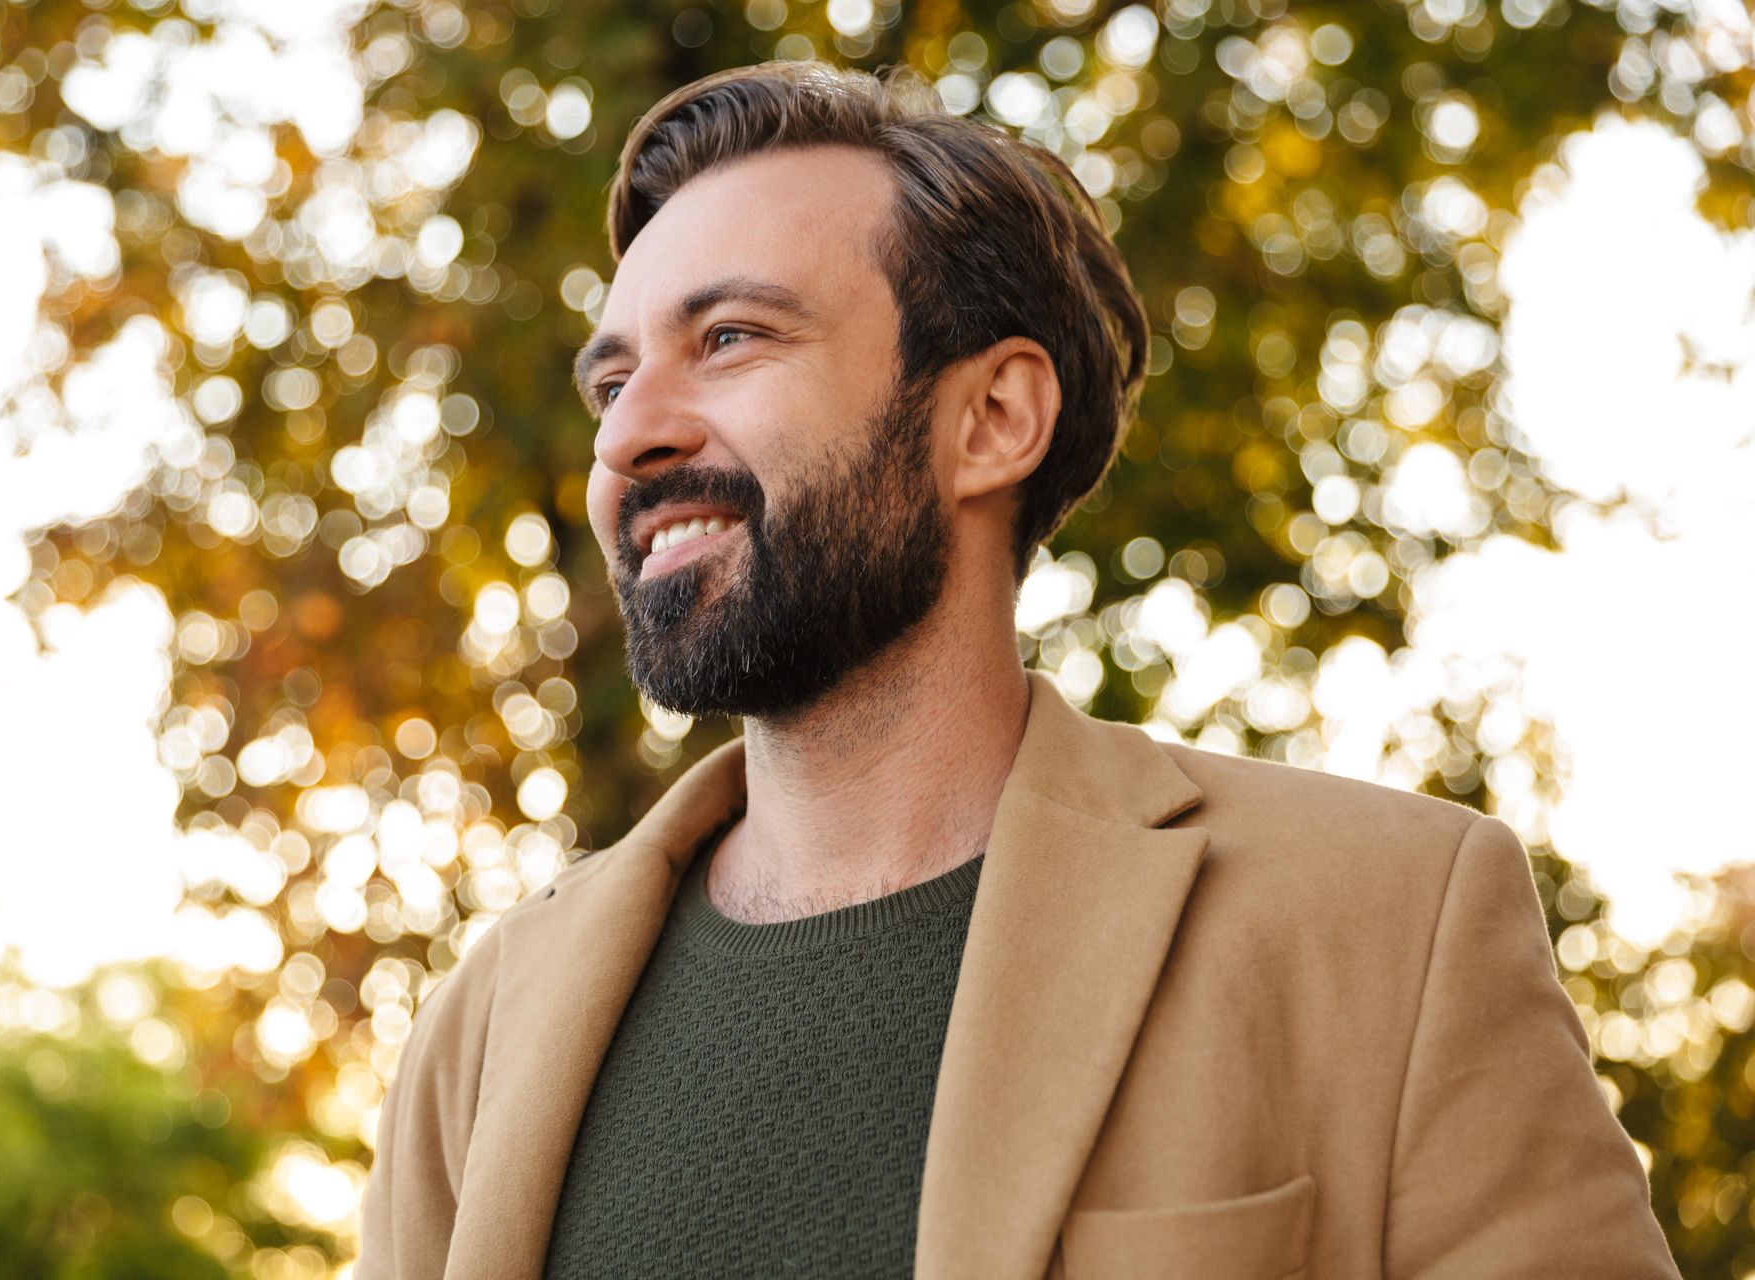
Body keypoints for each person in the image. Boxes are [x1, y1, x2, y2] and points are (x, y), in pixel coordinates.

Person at [355, 61, 1679, 1279]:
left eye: (733, 338)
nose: (627, 436)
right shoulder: (484, 1027)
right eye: (610, 385)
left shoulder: (1392, 924)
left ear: (991, 419)